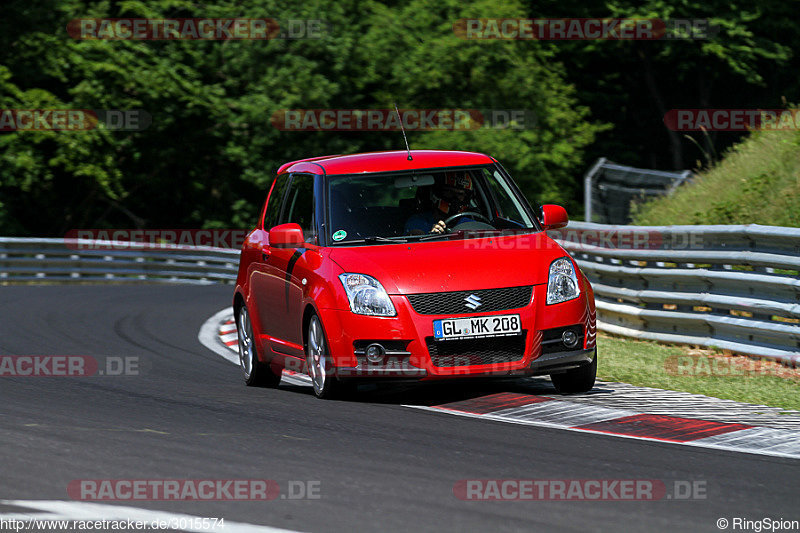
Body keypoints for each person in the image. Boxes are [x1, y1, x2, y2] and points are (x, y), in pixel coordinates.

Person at [405, 171, 475, 234]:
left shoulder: (470, 224)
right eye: (450, 192)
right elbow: (413, 245)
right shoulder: (418, 222)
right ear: (437, 193)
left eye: (460, 194)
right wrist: (432, 236)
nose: (456, 198)